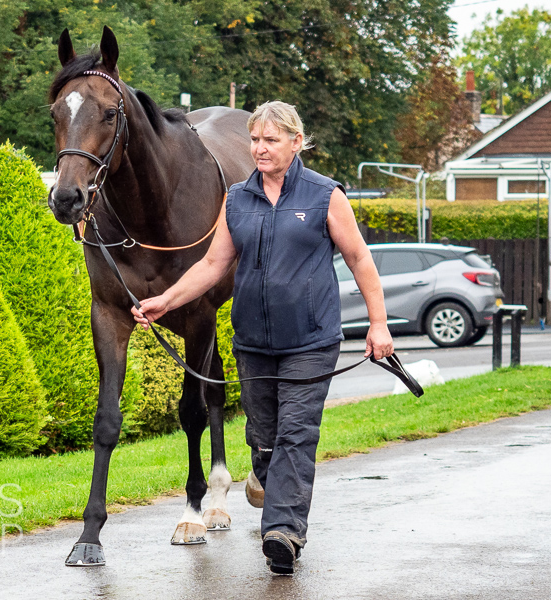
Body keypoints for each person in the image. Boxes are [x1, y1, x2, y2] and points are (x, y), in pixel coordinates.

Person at [132, 101, 393, 575]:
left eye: (271, 140)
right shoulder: (237, 199)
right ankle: (269, 486)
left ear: (297, 142)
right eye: (255, 140)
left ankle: (283, 533)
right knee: (264, 438)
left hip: (311, 341)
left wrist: (378, 325)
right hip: (253, 342)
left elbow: (360, 259)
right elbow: (212, 266)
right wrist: (165, 301)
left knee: (296, 435)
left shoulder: (324, 196)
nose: (260, 149)